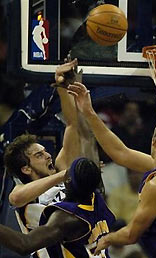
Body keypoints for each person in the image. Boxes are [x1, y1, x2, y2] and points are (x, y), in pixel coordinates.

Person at [67, 82, 156, 258]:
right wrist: (89, 113)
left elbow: (131, 235)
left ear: (154, 141)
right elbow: (121, 153)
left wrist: (106, 240)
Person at [3, 59, 98, 257]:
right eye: (39, 155)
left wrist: (62, 86)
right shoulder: (23, 191)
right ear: (26, 169)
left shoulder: (61, 168)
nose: (47, 154)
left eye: (45, 151)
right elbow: (15, 198)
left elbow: (71, 124)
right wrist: (66, 174)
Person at [0, 157, 116, 257]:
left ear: (68, 180)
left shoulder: (67, 218)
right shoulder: (96, 198)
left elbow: (25, 244)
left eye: (67, 173)